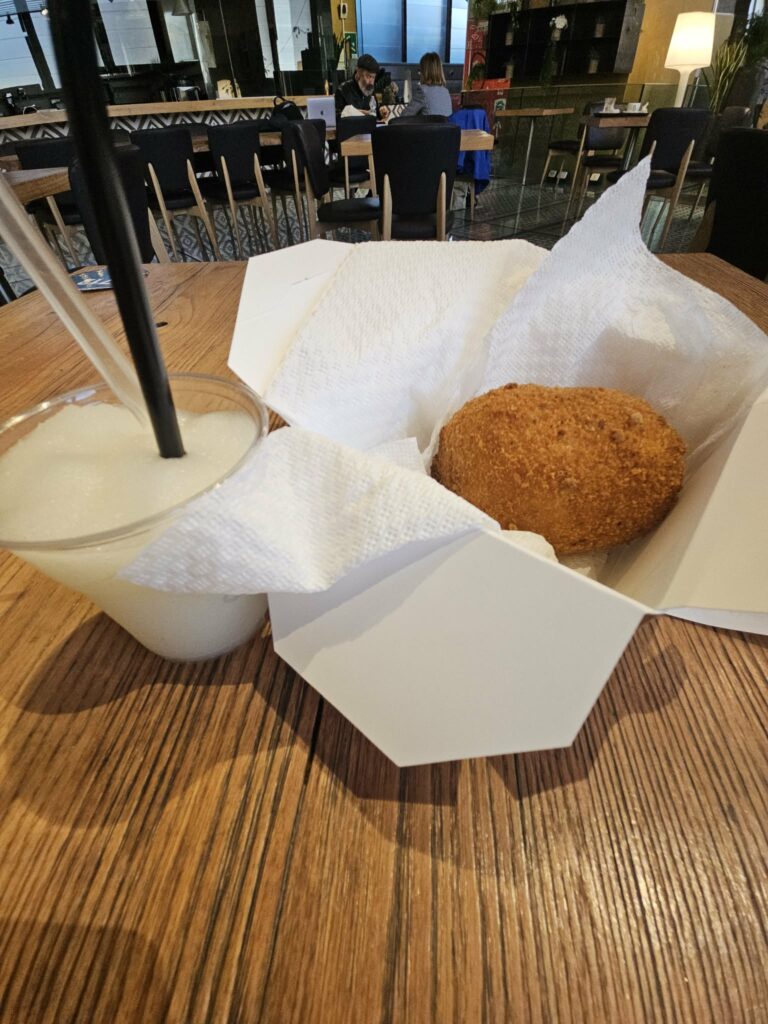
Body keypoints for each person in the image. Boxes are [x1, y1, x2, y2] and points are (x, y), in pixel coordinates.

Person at [398, 52, 453, 118]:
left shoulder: (423, 90)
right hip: (445, 125)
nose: (419, 73)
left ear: (424, 71)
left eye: (420, 70)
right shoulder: (446, 91)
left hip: (429, 125)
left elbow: (404, 116)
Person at [334, 53, 388, 120]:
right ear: (358, 72)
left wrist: (380, 111)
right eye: (369, 76)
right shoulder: (342, 90)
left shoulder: (370, 89)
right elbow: (336, 117)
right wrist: (357, 113)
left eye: (373, 77)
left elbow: (374, 112)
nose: (371, 82)